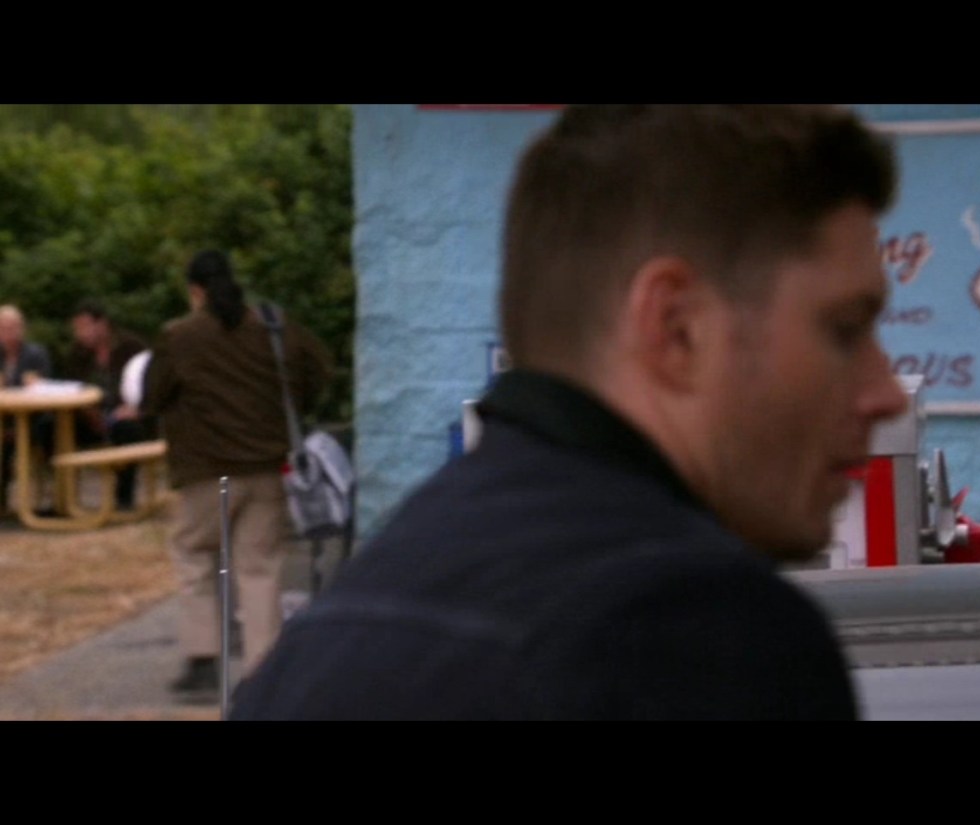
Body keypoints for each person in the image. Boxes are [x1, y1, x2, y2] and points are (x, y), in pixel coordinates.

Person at [230, 104, 909, 720]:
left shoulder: (330, 634)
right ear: (676, 327)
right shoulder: (694, 635)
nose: (888, 393)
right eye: (845, 329)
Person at [141, 249, 333, 696]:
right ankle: (262, 670)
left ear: (195, 291)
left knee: (194, 553)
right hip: (269, 467)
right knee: (260, 567)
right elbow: (319, 371)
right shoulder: (275, 326)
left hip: (207, 469)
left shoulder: (180, 336)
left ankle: (204, 662)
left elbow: (152, 397)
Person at [58, 299, 152, 511]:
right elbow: (71, 386)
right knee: (50, 427)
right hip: (89, 416)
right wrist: (87, 412)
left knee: (128, 429)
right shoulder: (78, 353)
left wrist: (137, 408)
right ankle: (63, 499)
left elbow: (152, 383)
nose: (80, 334)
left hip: (126, 414)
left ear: (102, 324)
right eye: (77, 329)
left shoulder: (131, 347)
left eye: (84, 327)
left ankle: (124, 498)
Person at [0, 304, 53, 513]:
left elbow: (44, 385)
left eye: (13, 327)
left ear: (22, 328)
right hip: (4, 416)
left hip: (33, 416)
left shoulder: (36, 354)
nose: (9, 333)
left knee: (48, 428)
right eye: (4, 328)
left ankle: (52, 499)